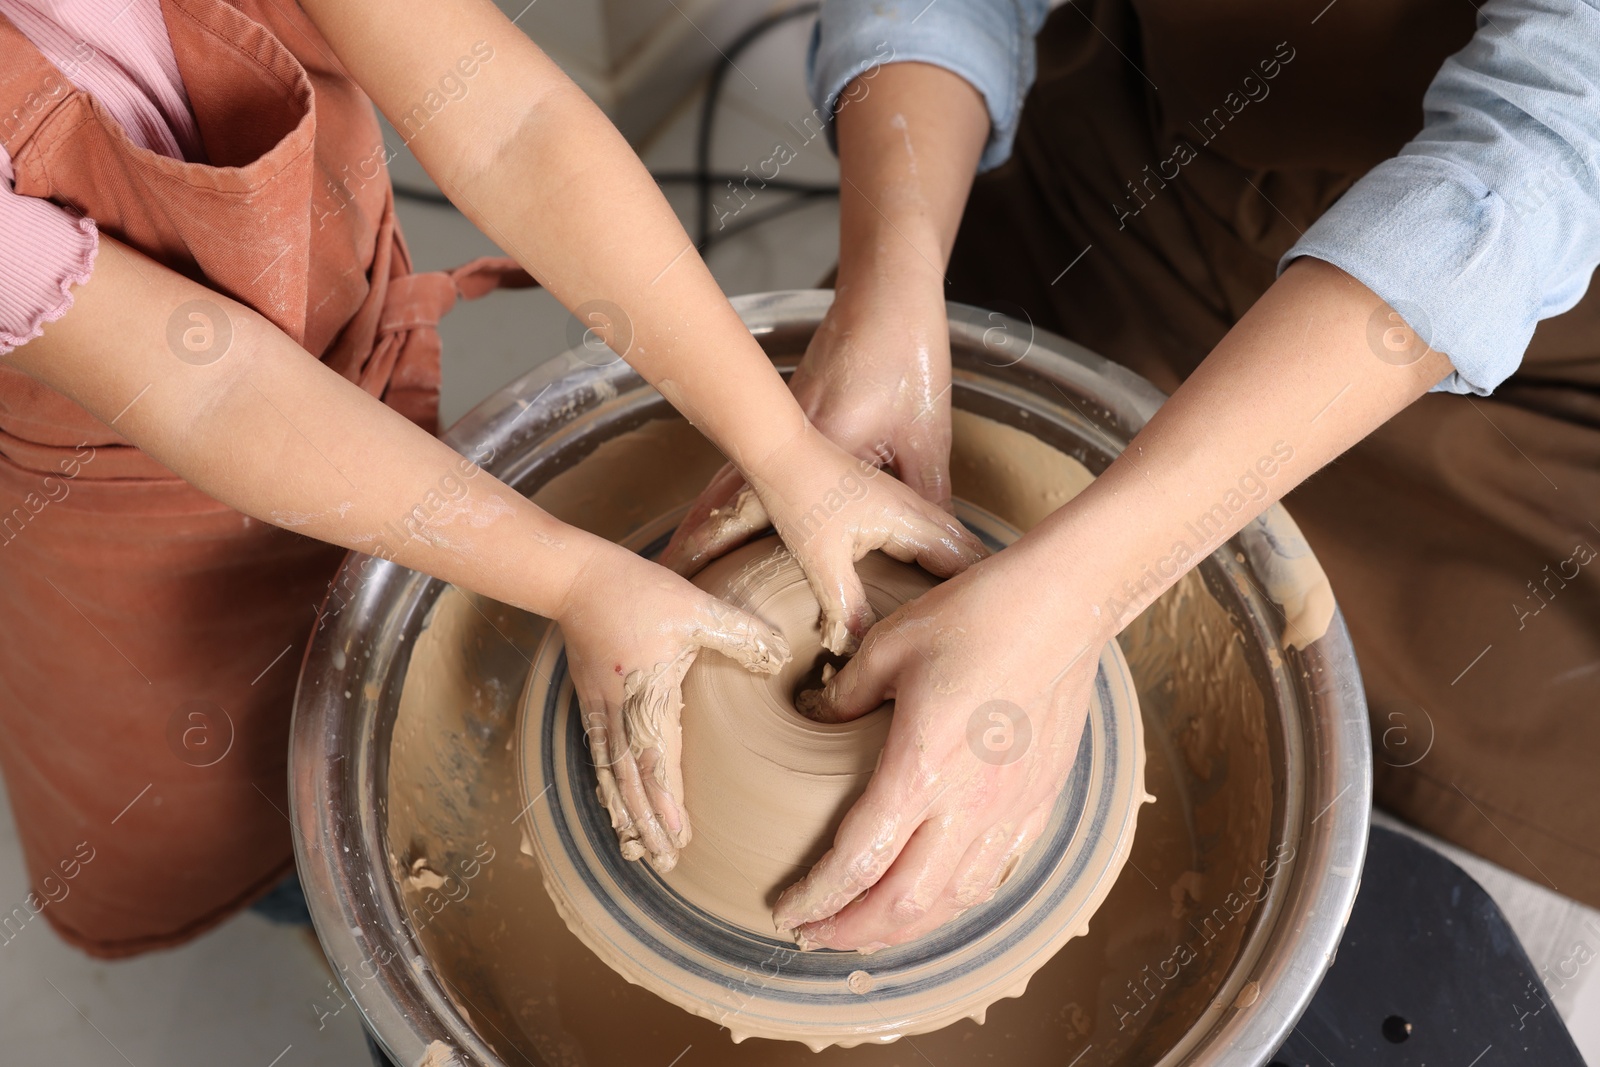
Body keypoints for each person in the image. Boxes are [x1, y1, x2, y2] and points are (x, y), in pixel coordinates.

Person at [0, 0, 983, 957]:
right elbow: (209, 390)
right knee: (242, 777)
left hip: (332, 356)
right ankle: (318, 897)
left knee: (407, 626)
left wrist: (786, 452)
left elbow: (510, 126)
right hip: (126, 509)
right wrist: (575, 579)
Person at [663, 0, 1600, 951]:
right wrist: (891, 283)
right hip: (1137, 178)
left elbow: (1540, 152)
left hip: (1494, 372)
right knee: (813, 453)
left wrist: (1082, 590)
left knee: (1423, 803)